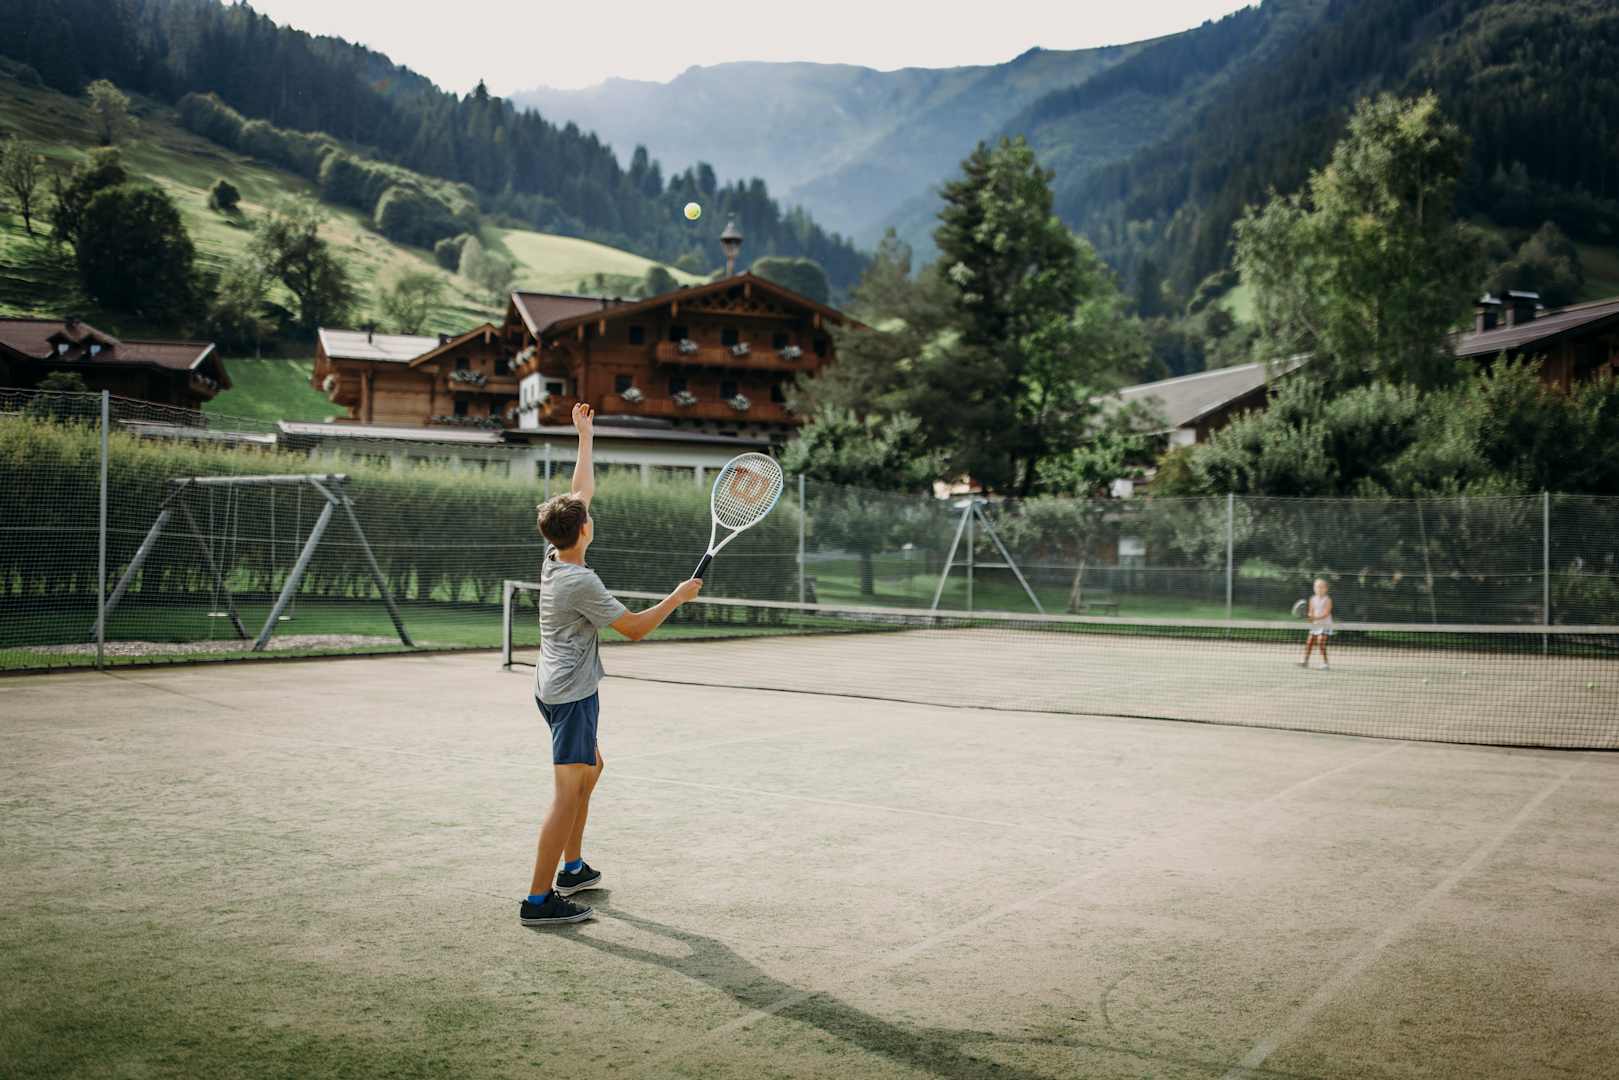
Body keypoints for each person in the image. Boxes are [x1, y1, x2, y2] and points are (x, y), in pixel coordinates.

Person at [521, 402, 703, 927]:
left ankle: (573, 868)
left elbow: (580, 490)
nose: (589, 512)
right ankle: (538, 900)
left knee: (592, 768)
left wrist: (586, 435)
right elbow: (635, 629)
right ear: (582, 531)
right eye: (586, 516)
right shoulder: (580, 581)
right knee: (565, 796)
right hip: (570, 696)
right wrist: (677, 597)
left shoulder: (555, 554)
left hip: (555, 687)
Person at [1300, 577, 1333, 671]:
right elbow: (1311, 611)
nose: (1319, 589)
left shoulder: (1328, 600)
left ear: (1326, 589)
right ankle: (1305, 661)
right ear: (1314, 588)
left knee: (1321, 642)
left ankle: (1325, 664)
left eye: (1321, 587)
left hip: (1325, 624)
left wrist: (1314, 618)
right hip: (1316, 624)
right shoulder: (1312, 599)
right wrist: (1310, 617)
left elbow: (1326, 614)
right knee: (1309, 642)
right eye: (1317, 587)